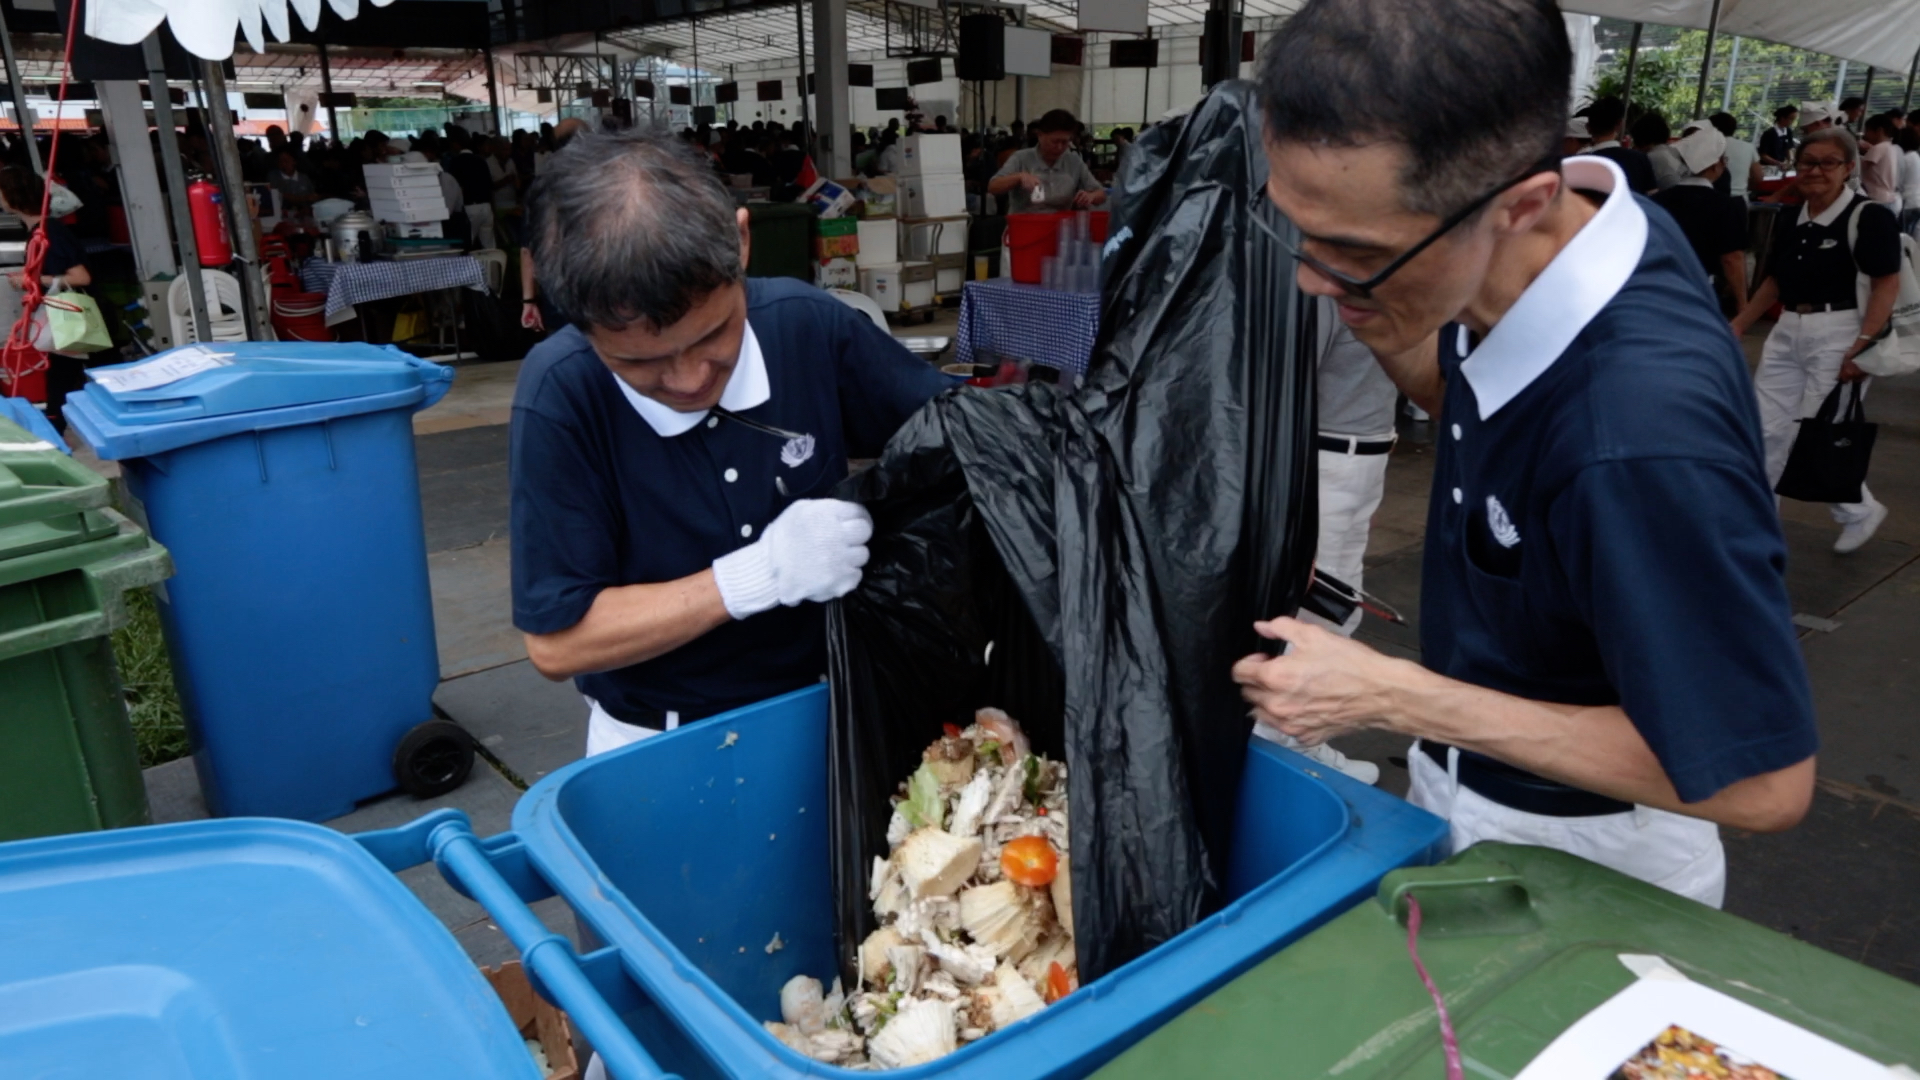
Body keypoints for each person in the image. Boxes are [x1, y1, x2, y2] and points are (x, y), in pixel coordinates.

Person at [1239, 0, 1817, 909]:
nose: (1311, 275)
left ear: (1520, 203)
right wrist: (1377, 303)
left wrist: (1393, 696)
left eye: (1355, 251)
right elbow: (1456, 392)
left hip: (1589, 861)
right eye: (1297, 230)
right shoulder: (1570, 243)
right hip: (1467, 789)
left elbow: (1761, 783)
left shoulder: (1638, 439)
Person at [510, 129, 951, 762]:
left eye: (714, 334)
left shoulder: (806, 327)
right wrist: (757, 575)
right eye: (643, 362)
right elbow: (558, 644)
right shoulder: (564, 392)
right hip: (661, 739)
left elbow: (955, 433)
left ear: (741, 242)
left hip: (833, 704)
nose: (689, 380)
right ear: (576, 319)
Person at [1731, 128, 1897, 554]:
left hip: (1841, 330)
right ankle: (1758, 526)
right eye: (1808, 162)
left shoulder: (1869, 216)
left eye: (1828, 163)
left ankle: (1857, 508)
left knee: (1812, 434)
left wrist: (1864, 344)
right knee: (1766, 431)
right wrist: (1740, 323)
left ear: (1847, 169)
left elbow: (1886, 283)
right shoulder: (1792, 215)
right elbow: (1775, 280)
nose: (1816, 171)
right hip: (1788, 328)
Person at [0, 168, 92, 435]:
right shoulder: (40, 230)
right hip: (63, 316)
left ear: (13, 194)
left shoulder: (48, 232)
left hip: (68, 316)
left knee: (62, 380)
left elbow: (81, 277)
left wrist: (33, 281)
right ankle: (56, 431)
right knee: (63, 379)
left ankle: (54, 435)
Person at [1652, 125, 1749, 307]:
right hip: (1701, 290)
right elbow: (1732, 259)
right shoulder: (1726, 205)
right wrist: (1743, 304)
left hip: (1657, 287)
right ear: (1715, 164)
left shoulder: (1657, 200)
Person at [519, 117, 588, 333]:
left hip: (557, 290)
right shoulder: (607, 181)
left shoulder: (541, 186)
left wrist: (529, 301)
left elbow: (527, 249)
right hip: (602, 287)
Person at [989, 109, 1106, 213]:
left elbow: (1100, 194)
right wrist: (1019, 177)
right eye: (1055, 142)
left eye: (1065, 142)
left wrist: (1091, 196)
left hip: (1061, 228)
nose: (1060, 147)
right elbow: (993, 186)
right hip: (1025, 227)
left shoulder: (1073, 160)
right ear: (1040, 135)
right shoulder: (1021, 158)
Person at [1585, 96, 1656, 194]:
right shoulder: (1640, 159)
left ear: (1588, 127)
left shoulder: (1580, 162)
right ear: (1620, 124)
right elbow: (1652, 198)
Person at [444, 127, 497, 249]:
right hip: (486, 206)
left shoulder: (455, 162)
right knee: (489, 246)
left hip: (469, 207)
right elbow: (490, 186)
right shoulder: (481, 160)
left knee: (468, 244)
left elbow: (455, 189)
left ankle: (471, 268)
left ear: (455, 144)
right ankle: (494, 267)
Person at [1709, 112, 1760, 201]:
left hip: (1712, 198)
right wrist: (1744, 188)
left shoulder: (1707, 146)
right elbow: (1758, 176)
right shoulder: (1748, 147)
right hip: (1740, 199)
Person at [1860, 113, 1902, 213]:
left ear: (1879, 131)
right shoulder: (1891, 147)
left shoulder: (1878, 148)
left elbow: (1859, 168)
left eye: (1867, 131)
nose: (1865, 135)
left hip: (1877, 198)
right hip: (1890, 198)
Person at [1897, 125, 1920, 235]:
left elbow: (1896, 181)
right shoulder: (1915, 156)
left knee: (1902, 237)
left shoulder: (1904, 159)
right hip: (1917, 201)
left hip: (1907, 203)